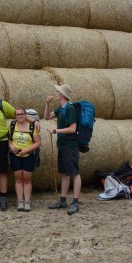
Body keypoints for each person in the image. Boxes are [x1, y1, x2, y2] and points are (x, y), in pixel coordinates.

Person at [44, 84, 81, 215]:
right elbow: (47, 117)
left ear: (63, 95)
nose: (55, 93)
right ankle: (63, 200)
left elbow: (73, 129)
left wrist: (55, 130)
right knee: (64, 173)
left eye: (57, 92)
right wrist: (47, 104)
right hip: (62, 145)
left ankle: (75, 202)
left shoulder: (70, 108)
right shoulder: (61, 108)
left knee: (74, 173)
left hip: (71, 146)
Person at [8, 107, 42, 212]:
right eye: (18, 114)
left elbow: (38, 142)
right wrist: (11, 147)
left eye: (22, 114)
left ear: (25, 114)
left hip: (29, 156)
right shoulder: (13, 125)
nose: (20, 116)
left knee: (27, 179)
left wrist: (26, 150)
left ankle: (27, 202)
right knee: (18, 178)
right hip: (15, 156)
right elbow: (9, 139)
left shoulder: (32, 126)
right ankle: (20, 201)